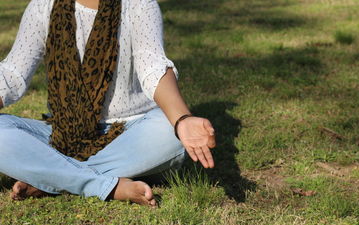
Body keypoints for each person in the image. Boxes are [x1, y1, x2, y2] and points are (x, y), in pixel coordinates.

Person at [0, 0, 216, 206]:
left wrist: (182, 119)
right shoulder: (43, 6)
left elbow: (153, 66)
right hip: (62, 133)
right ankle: (105, 185)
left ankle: (51, 176)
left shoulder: (139, 5)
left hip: (130, 133)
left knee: (169, 132)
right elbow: (13, 73)